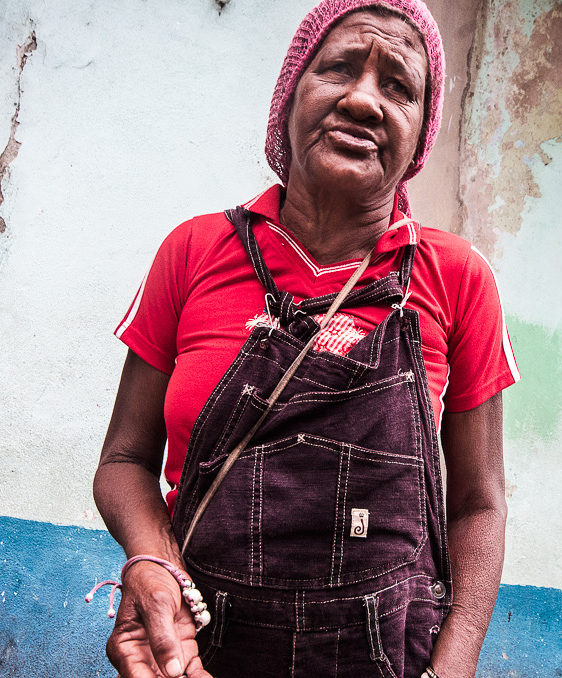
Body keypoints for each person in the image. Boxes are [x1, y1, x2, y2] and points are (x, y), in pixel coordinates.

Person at [92, 0, 519, 676]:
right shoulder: (195, 250)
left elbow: (480, 503)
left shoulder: (458, 278)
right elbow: (122, 462)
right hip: (198, 652)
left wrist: (454, 665)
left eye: (398, 86)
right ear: (288, 98)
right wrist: (151, 562)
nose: (363, 100)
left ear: (419, 137)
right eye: (339, 68)